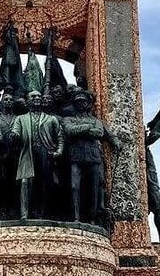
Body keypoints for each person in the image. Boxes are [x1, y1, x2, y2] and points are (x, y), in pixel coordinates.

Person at [11, 91, 64, 220]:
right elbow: (15, 131)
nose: (37, 98)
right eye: (33, 96)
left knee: (44, 183)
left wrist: (58, 152)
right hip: (27, 152)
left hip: (45, 153)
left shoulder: (51, 119)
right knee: (25, 182)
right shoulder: (20, 119)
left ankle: (43, 213)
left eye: (39, 96)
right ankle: (24, 213)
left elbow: (59, 137)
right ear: (28, 100)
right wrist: (15, 136)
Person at [62, 91, 105, 223]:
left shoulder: (95, 120)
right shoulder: (68, 119)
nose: (81, 104)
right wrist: (87, 128)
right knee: (75, 187)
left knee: (94, 189)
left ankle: (92, 218)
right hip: (76, 157)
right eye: (78, 102)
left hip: (93, 158)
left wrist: (80, 130)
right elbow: (69, 130)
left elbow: (99, 132)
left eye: (83, 102)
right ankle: (76, 217)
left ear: (88, 104)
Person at [0, 93, 18, 219]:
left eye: (10, 100)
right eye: (6, 99)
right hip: (0, 157)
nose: (8, 101)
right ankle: (1, 209)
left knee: (15, 183)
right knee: (1, 184)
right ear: (2, 102)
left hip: (16, 156)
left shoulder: (19, 118)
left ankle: (14, 209)